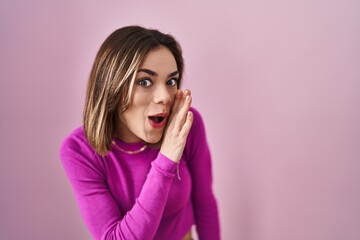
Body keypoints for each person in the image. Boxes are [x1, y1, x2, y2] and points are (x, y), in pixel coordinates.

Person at [60, 25, 220, 240]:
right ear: (112, 87)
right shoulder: (78, 151)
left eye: (171, 81)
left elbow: (205, 202)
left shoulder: (187, 124)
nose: (164, 96)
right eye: (145, 81)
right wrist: (166, 159)